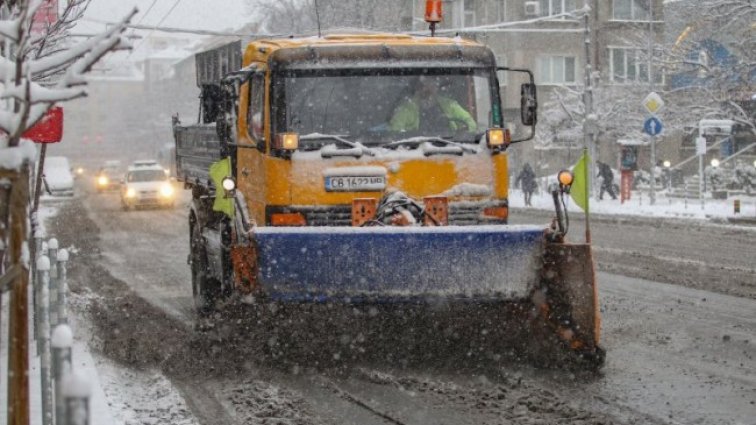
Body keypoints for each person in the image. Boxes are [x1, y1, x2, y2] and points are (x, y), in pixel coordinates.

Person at [389, 76, 477, 133]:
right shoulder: (406, 108)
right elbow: (395, 132)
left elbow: (470, 123)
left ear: (436, 88)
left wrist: (462, 133)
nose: (427, 90)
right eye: (424, 86)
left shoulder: (449, 105)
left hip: (449, 147)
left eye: (432, 85)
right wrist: (410, 136)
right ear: (418, 88)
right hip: (416, 151)